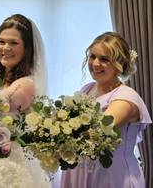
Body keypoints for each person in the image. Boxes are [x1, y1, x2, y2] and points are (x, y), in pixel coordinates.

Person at [0, 14, 51, 188]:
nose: (6, 48)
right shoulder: (1, 81)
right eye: (2, 42)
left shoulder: (26, 84)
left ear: (27, 48)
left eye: (14, 43)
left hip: (12, 169)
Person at [60, 32, 152, 188]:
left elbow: (99, 130)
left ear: (120, 63)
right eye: (92, 56)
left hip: (112, 177)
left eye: (104, 59)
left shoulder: (126, 97)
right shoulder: (86, 89)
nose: (95, 63)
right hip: (80, 173)